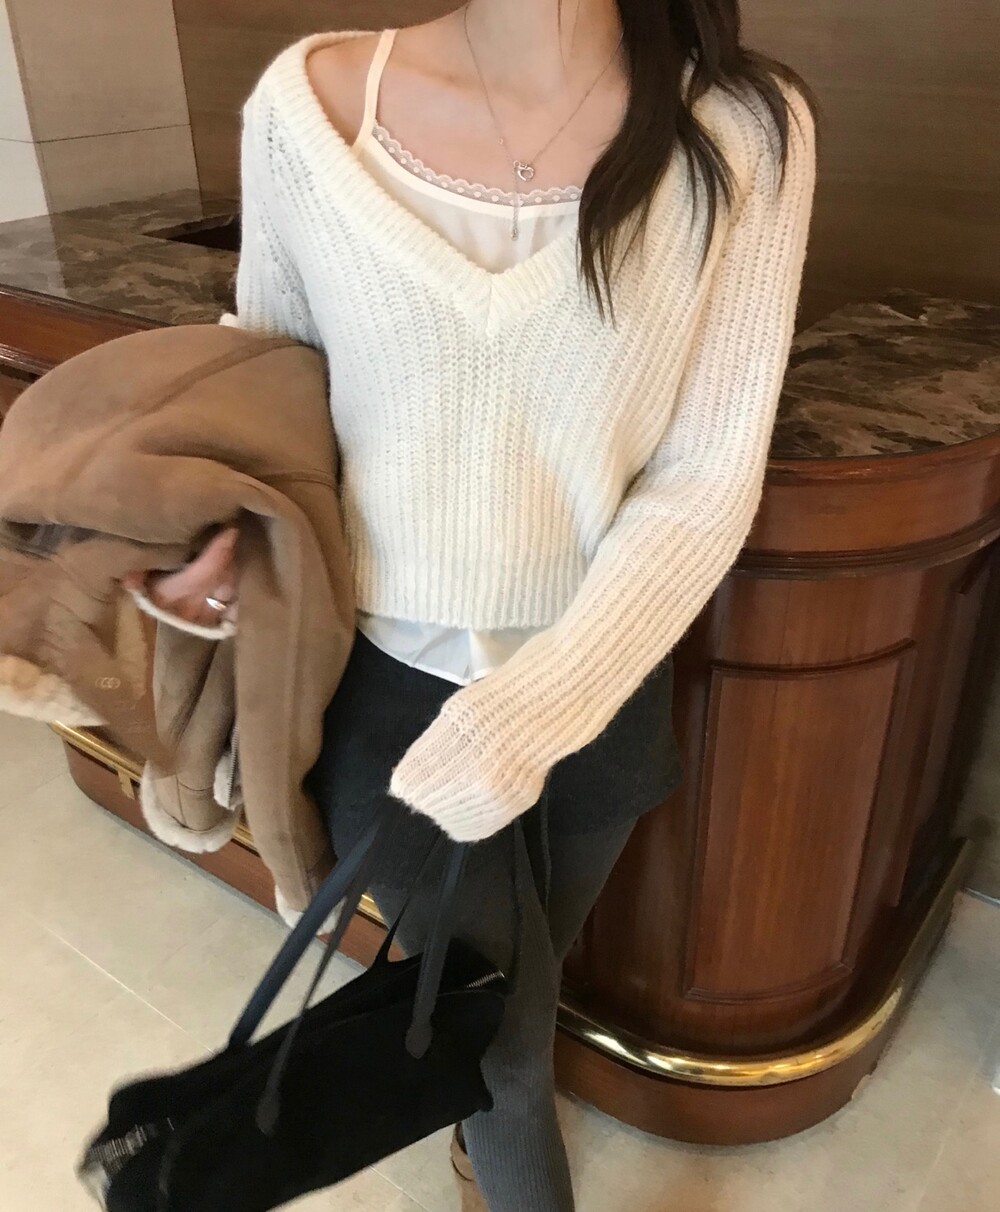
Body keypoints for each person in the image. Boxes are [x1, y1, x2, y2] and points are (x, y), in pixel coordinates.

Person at [129, 2, 818, 1208]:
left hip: (601, 677)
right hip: (378, 695)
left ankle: (469, 1135)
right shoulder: (307, 107)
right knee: (501, 1038)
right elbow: (272, 387)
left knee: (516, 991)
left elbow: (705, 478)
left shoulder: (745, 129)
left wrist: (530, 717)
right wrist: (221, 536)